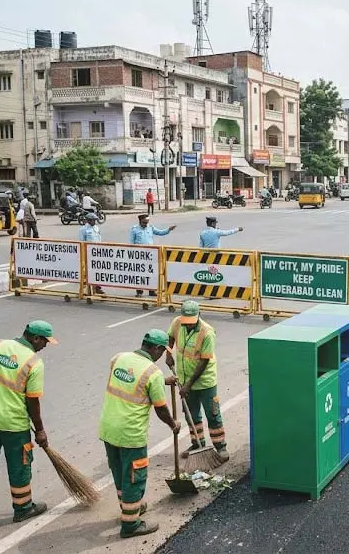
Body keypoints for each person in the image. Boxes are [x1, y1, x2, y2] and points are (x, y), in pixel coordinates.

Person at [0, 321, 57, 533]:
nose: (45, 345)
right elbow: (32, 401)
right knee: (19, 466)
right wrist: (41, 430)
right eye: (44, 341)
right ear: (35, 338)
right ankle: (23, 508)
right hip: (14, 425)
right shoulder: (34, 362)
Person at [99, 329, 180, 539]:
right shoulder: (153, 372)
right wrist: (173, 424)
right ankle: (131, 525)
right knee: (135, 477)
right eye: (162, 351)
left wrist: (163, 381)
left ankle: (129, 508)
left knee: (119, 472)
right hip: (130, 434)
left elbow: (133, 380)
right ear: (156, 348)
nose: (161, 355)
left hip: (108, 429)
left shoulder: (118, 358)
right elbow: (161, 408)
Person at [167, 301, 229, 462]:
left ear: (198, 315)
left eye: (190, 323)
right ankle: (198, 444)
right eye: (185, 322)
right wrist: (168, 353)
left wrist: (189, 384)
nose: (187, 326)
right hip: (184, 379)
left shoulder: (207, 332)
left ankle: (220, 446)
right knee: (191, 415)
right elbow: (170, 337)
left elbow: (203, 361)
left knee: (213, 414)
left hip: (205, 382)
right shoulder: (177, 323)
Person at [130, 214, 175, 297]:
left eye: (147, 222)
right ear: (140, 221)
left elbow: (160, 232)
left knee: (151, 272)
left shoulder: (150, 227)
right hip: (139, 254)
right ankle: (139, 291)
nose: (145, 224)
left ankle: (151, 290)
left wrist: (168, 229)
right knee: (140, 273)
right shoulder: (134, 229)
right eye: (144, 222)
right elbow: (131, 243)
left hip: (150, 253)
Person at [80, 213, 105, 294]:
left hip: (97, 252)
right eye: (92, 220)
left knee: (97, 270)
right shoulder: (83, 229)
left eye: (95, 220)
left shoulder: (96, 228)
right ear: (88, 220)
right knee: (87, 271)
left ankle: (97, 287)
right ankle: (84, 287)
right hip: (88, 252)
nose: (94, 222)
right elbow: (81, 241)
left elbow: (99, 239)